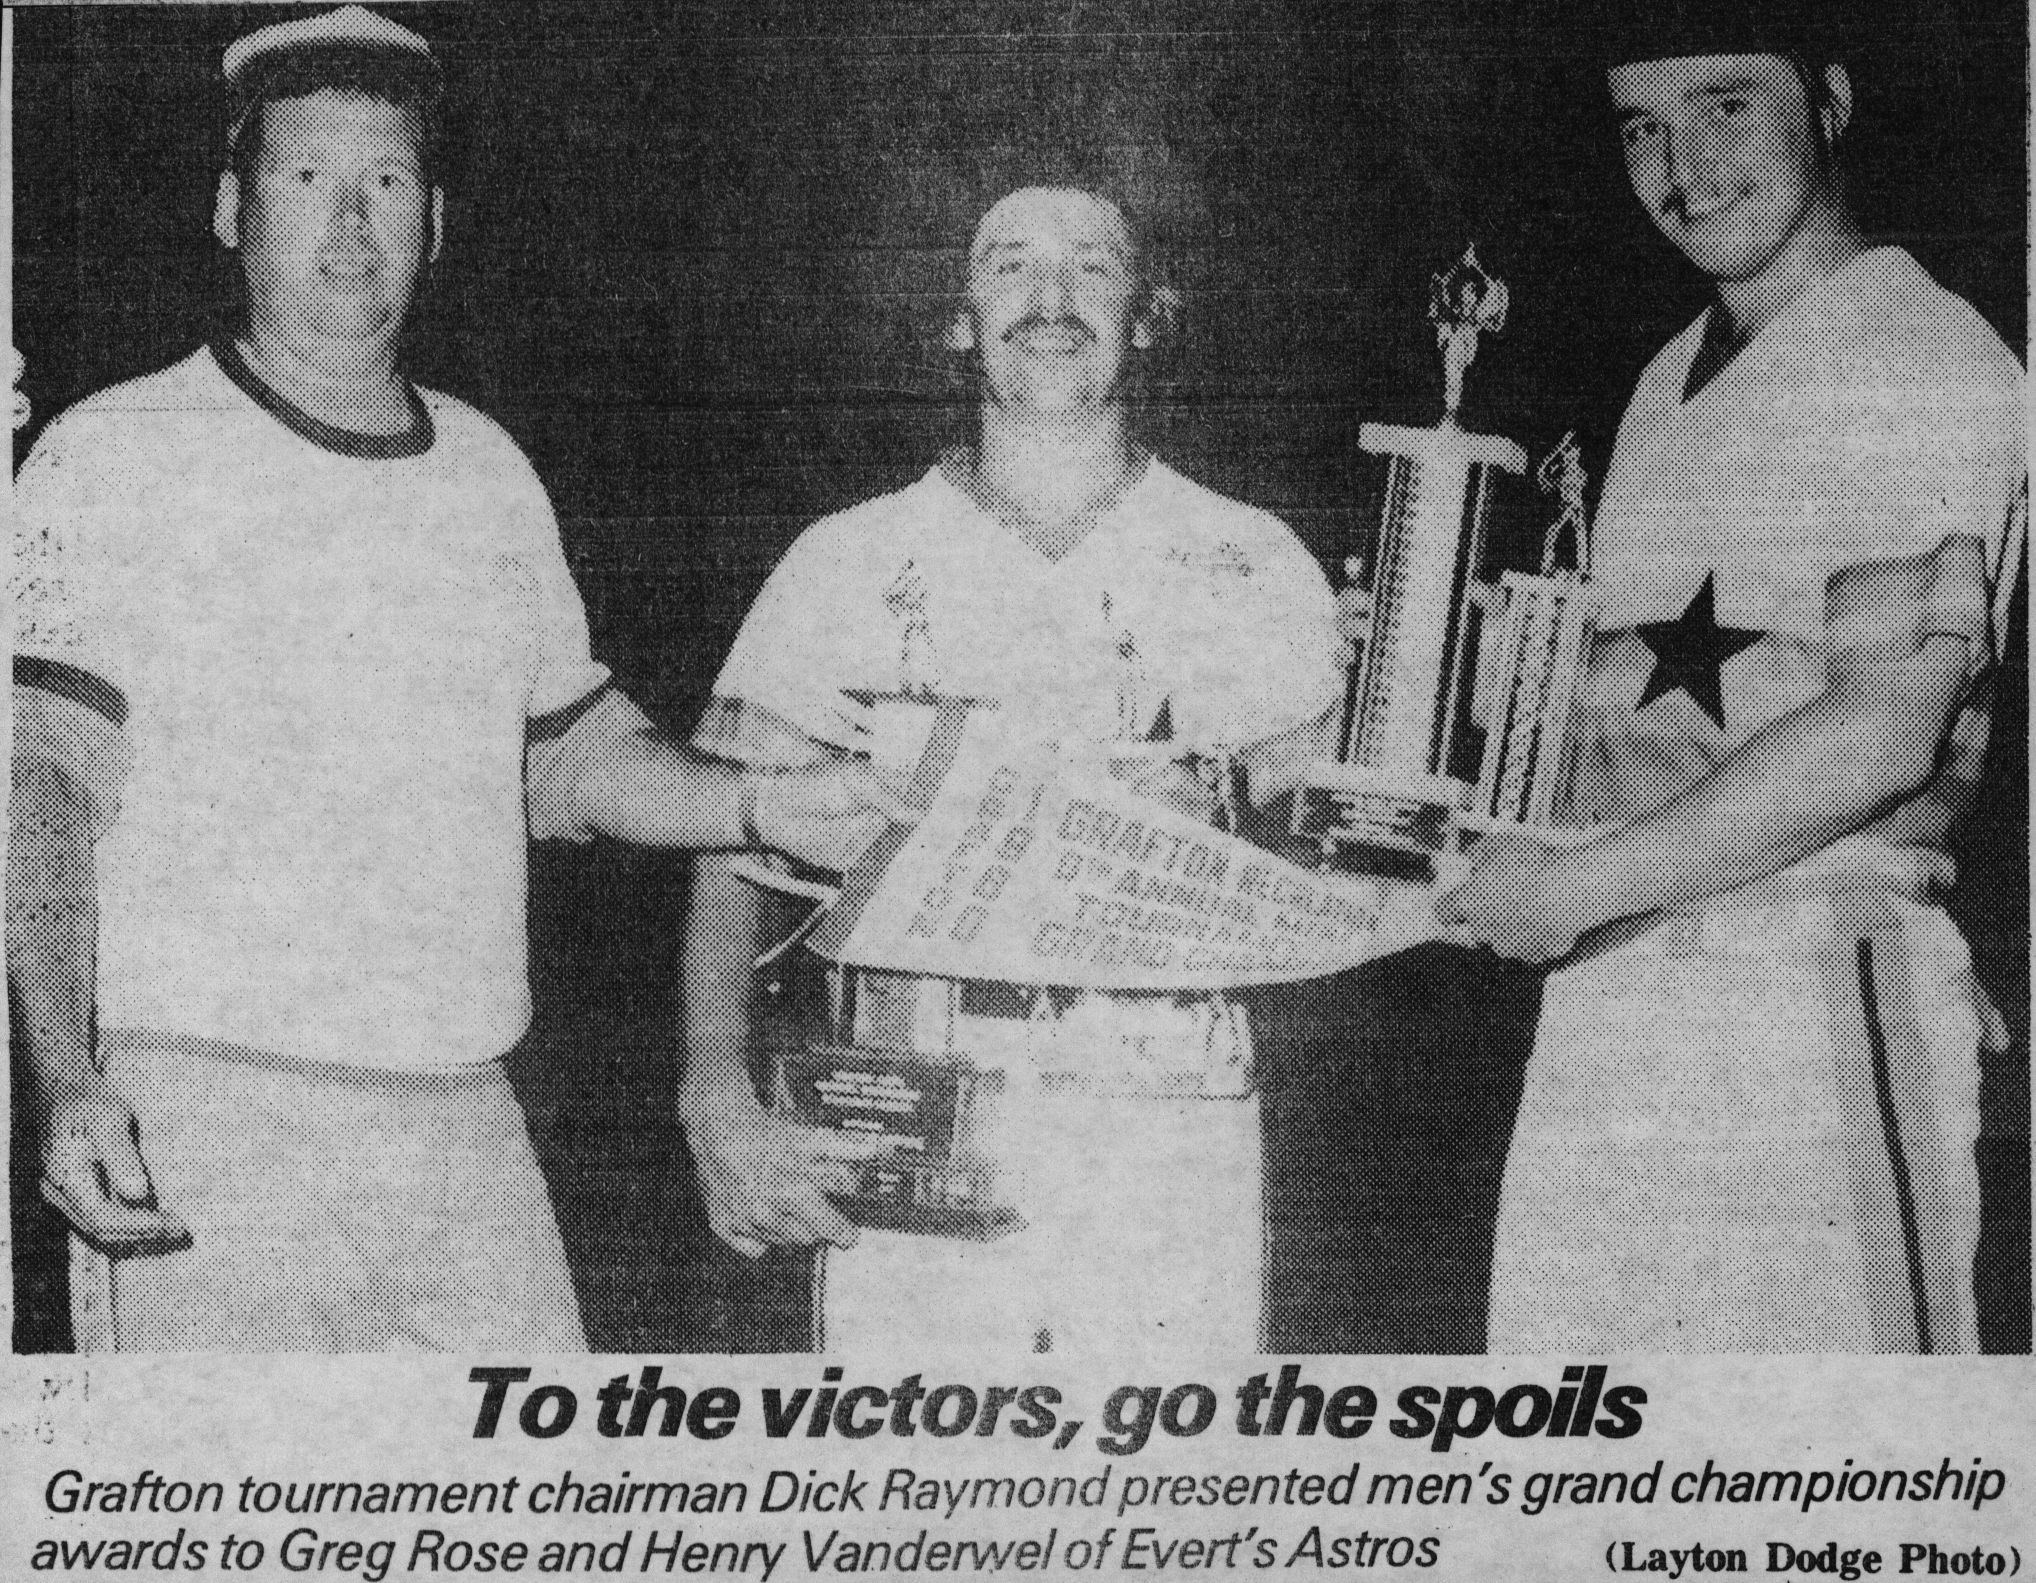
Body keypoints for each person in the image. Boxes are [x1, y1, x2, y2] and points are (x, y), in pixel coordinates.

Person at [9, 6, 893, 1352]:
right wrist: (67, 1077)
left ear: (439, 222)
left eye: (388, 182)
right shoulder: (114, 449)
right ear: (231, 208)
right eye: (307, 179)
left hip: (465, 1118)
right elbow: (39, 780)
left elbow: (571, 761)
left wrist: (779, 801)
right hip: (211, 1115)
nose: (351, 222)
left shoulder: (488, 470)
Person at [1440, 1, 2025, 1350]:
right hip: (1610, 1000)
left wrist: (1570, 887)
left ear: (1829, 98)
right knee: (1593, 1499)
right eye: (1643, 126)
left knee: (1846, 1501)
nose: (1682, 166)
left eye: (1725, 105)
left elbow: (1883, 732)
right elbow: (1645, 712)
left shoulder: (1917, 351)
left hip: (1806, 993)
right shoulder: (1664, 381)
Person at [679, 183, 1345, 1351]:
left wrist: (1234, 811)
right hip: (909, 1107)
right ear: (957, 318)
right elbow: (731, 849)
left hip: (1167, 1106)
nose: (1050, 300)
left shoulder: (1250, 557)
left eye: (1091, 267)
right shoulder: (844, 558)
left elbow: (1337, 855)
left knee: (1156, 1508)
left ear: (1148, 313)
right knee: (921, 1509)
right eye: (1008, 266)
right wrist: (713, 1093)